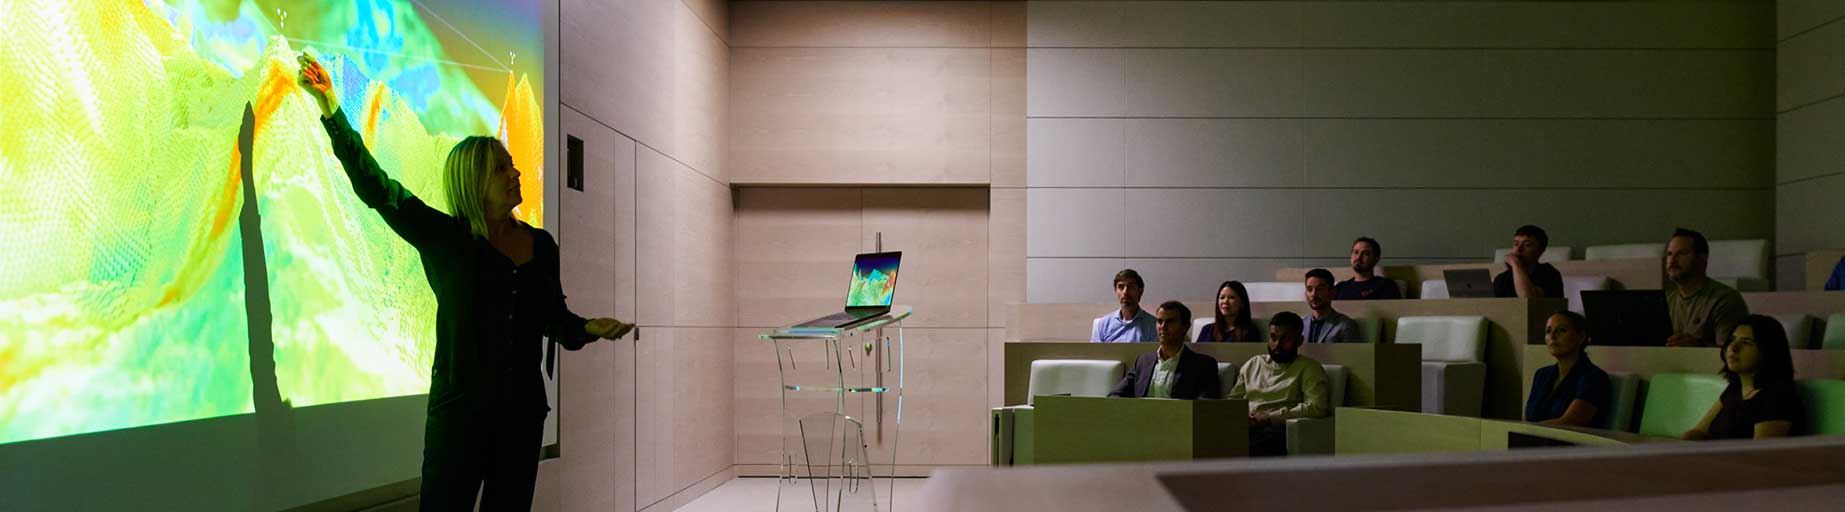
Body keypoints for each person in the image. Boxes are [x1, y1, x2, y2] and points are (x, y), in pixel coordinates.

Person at [297, 54, 634, 511]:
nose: (515, 174)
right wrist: (331, 107)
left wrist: (589, 328)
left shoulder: (542, 245)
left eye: (512, 165)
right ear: (473, 181)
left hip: (521, 417)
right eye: (501, 168)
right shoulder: (446, 239)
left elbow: (554, 320)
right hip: (458, 421)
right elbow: (374, 185)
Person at [1683, 315, 1805, 440]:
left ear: (1767, 351)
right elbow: (1699, 431)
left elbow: (1759, 456)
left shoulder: (1777, 398)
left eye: (1746, 342)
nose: (1733, 348)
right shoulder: (1734, 390)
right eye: (1732, 339)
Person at [1230, 311, 1331, 457]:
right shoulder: (1254, 363)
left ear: (1300, 340)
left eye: (1285, 338)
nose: (1277, 344)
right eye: (1273, 337)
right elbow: (1232, 401)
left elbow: (1316, 407)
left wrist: (1270, 417)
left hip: (1277, 429)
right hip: (1244, 426)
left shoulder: (1309, 368)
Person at [1109, 301, 1223, 399]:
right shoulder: (1142, 362)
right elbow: (1115, 395)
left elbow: (1206, 406)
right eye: (1159, 321)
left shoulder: (1203, 365)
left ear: (1185, 327)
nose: (1163, 327)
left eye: (1170, 321)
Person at [1663, 228, 1749, 348]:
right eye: (1669, 254)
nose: (1672, 260)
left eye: (1681, 253)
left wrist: (1697, 346)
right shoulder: (1667, 300)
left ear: (1702, 259)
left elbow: (1732, 352)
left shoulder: (1725, 299)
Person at [1524, 311, 1611, 427]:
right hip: (1533, 441)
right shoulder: (1541, 374)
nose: (1553, 336)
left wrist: (1527, 431)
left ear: (1581, 337)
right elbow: (1527, 418)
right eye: (1548, 331)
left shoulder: (1594, 377)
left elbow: (1569, 423)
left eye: (1562, 330)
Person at [1494, 225, 1564, 299]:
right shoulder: (1502, 279)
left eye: (1527, 245)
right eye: (1516, 244)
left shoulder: (1550, 274)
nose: (1518, 249)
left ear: (1540, 250)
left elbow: (1528, 299)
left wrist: (1515, 264)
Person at [1092, 269, 1156, 342]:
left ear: (1140, 291)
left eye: (1131, 286)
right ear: (1116, 290)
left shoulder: (1153, 326)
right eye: (1121, 287)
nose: (1125, 292)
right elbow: (1094, 353)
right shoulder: (1103, 324)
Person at [1303, 269, 1361, 343]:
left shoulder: (1346, 325)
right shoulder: (1301, 324)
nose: (1313, 294)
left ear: (1332, 292)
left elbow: (1353, 353)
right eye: (1309, 289)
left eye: (1319, 289)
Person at [1334, 237, 1401, 300]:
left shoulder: (1386, 285)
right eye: (1356, 252)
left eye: (1365, 254)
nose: (1358, 257)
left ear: (1376, 259)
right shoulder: (1340, 287)